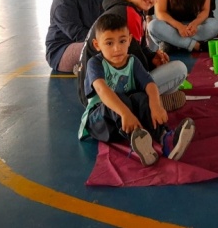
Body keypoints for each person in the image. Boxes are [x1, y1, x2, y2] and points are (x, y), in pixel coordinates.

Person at [78, 13, 196, 166]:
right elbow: (102, 90)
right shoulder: (96, 63)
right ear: (97, 45)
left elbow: (150, 84)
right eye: (109, 43)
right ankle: (139, 142)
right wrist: (125, 113)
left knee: (142, 98)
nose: (117, 48)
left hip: (127, 120)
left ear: (129, 40)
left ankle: (166, 139)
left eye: (122, 41)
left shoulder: (132, 61)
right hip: (101, 122)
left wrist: (155, 105)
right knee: (119, 98)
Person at [79, 0, 188, 111]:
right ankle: (142, 106)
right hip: (103, 95)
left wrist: (152, 57)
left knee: (167, 75)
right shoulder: (128, 13)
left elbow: (138, 48)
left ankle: (150, 103)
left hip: (90, 92)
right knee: (179, 70)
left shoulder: (128, 10)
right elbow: (136, 63)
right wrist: (151, 65)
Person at [45, 0, 103, 72]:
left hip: (88, 42)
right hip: (62, 52)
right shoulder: (64, 0)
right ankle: (84, 67)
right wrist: (104, 41)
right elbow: (77, 33)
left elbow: (104, 22)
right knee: (107, 47)